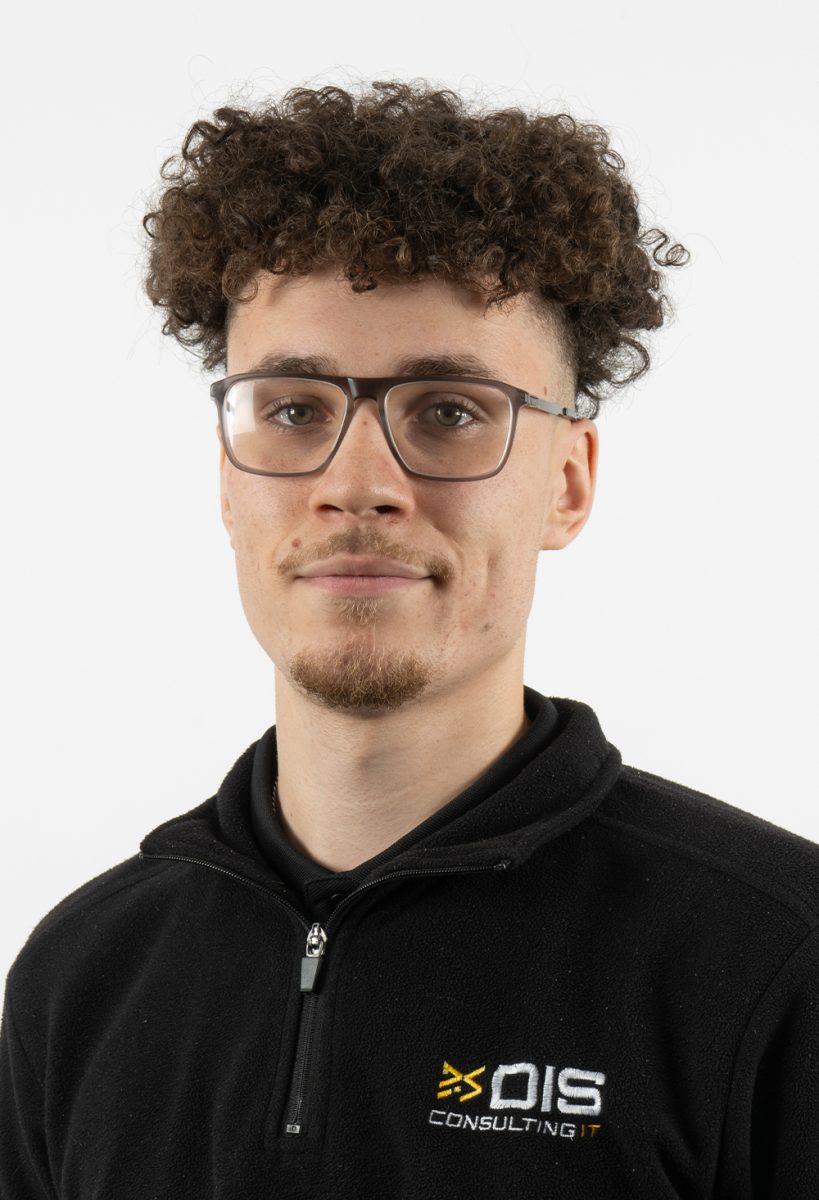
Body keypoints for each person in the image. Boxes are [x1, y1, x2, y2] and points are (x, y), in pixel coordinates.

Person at [1, 80, 816, 1199]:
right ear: (228, 486)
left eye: (448, 411)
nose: (356, 483)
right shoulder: (82, 976)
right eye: (292, 410)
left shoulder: (776, 962)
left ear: (568, 484)